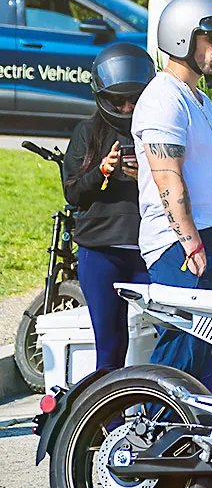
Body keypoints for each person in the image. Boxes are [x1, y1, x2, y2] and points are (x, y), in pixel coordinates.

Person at [133, 0, 212, 395]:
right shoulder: (164, 98)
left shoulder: (199, 99)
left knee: (202, 352)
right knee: (180, 351)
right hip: (180, 247)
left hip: (207, 240)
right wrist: (191, 242)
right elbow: (168, 178)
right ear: (183, 38)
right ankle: (146, 438)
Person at [63, 44, 157, 374]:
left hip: (149, 248)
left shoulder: (155, 130)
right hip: (100, 249)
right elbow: (73, 192)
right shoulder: (87, 132)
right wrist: (101, 172)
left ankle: (162, 412)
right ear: (103, 97)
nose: (127, 107)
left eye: (135, 99)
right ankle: (109, 421)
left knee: (170, 337)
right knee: (110, 345)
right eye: (119, 101)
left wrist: (145, 175)